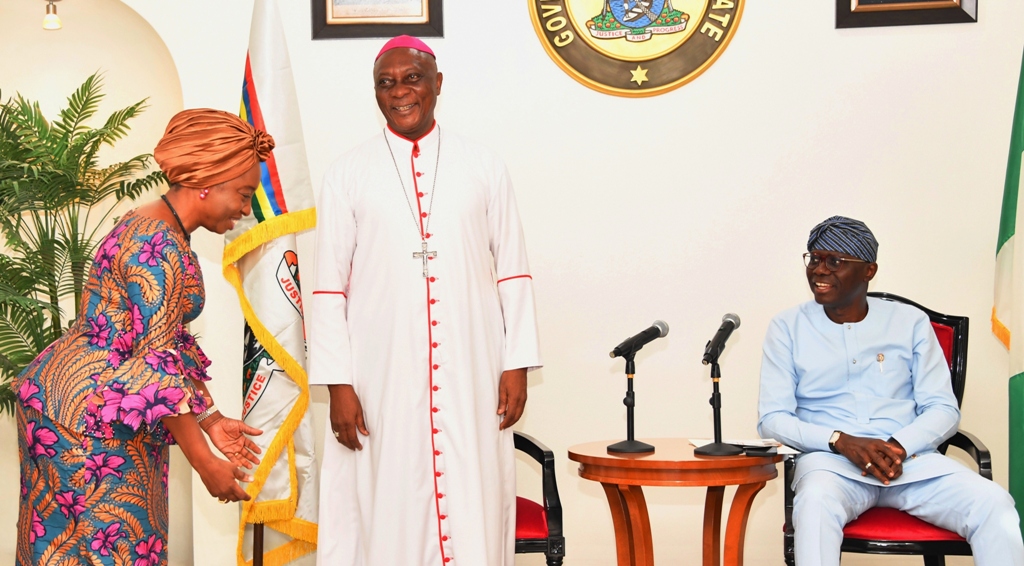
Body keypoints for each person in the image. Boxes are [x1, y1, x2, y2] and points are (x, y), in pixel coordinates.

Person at [308, 35, 543, 565]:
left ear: (437, 84)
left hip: (472, 364)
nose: (399, 92)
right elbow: (328, 287)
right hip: (378, 369)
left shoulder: (484, 166)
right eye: (385, 84)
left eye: (411, 78)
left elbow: (513, 272)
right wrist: (338, 385)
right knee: (383, 493)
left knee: (471, 483)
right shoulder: (347, 173)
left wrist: (518, 365)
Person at [14, 109, 269, 565]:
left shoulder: (154, 222)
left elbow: (168, 344)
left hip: (72, 399)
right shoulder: (162, 246)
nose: (246, 209)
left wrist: (210, 420)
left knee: (68, 546)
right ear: (206, 181)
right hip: (88, 422)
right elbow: (155, 362)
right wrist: (205, 462)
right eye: (244, 193)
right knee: (107, 546)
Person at [758, 215, 1024, 566]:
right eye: (814, 258)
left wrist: (898, 447)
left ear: (869, 270)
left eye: (834, 261)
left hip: (911, 463)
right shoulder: (787, 327)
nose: (819, 270)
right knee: (815, 506)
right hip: (831, 465)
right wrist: (840, 440)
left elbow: (942, 408)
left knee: (996, 505)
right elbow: (772, 419)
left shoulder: (909, 322)